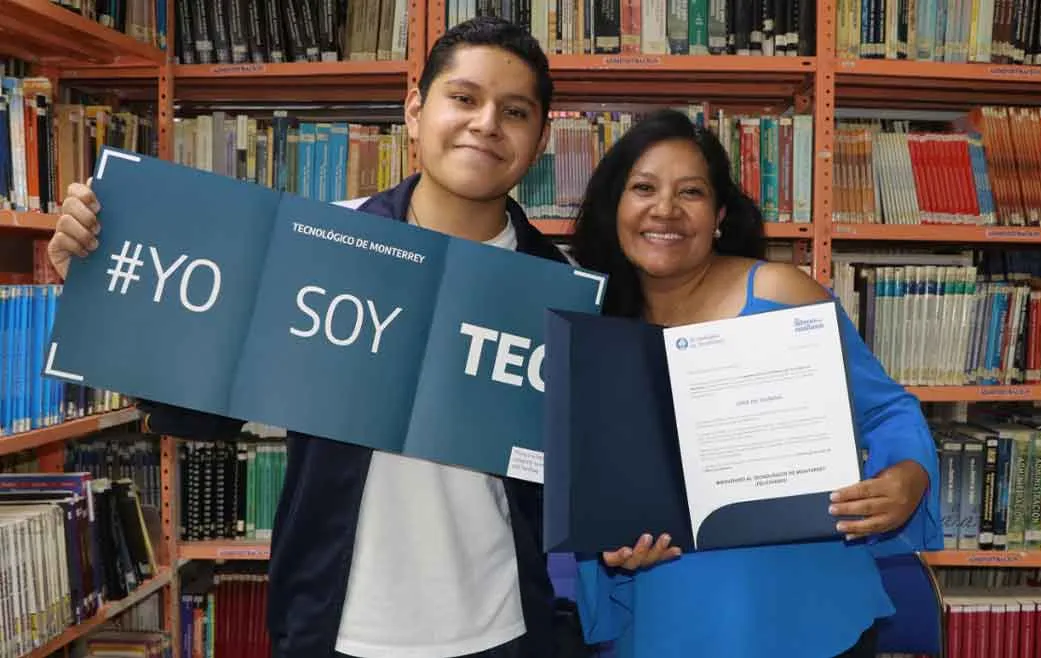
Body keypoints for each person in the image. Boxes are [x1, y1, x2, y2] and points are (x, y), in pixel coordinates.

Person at [48, 16, 584, 658]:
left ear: (541, 136)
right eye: (464, 98)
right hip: (334, 628)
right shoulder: (321, 242)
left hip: (505, 630)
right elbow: (202, 403)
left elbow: (579, 481)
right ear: (414, 110)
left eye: (515, 111)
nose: (486, 123)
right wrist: (100, 282)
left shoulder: (559, 293)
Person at [567, 108, 942, 658]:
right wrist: (609, 550)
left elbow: (886, 410)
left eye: (690, 192)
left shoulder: (780, 291)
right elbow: (588, 494)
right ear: (614, 209)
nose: (664, 209)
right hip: (661, 619)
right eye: (643, 188)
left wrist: (908, 475)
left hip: (805, 617)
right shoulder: (588, 327)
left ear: (718, 214)